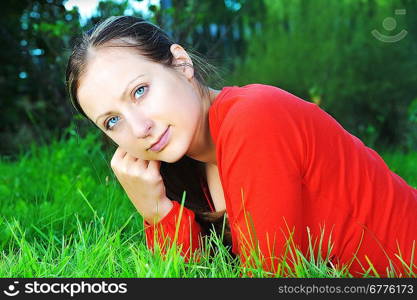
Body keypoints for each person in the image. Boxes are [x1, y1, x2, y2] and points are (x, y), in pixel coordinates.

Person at [65, 15, 417, 278]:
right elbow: (188, 276)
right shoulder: (187, 166)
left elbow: (269, 277)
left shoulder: (254, 117)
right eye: (113, 121)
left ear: (181, 63)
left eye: (140, 91)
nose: (139, 128)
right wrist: (157, 213)